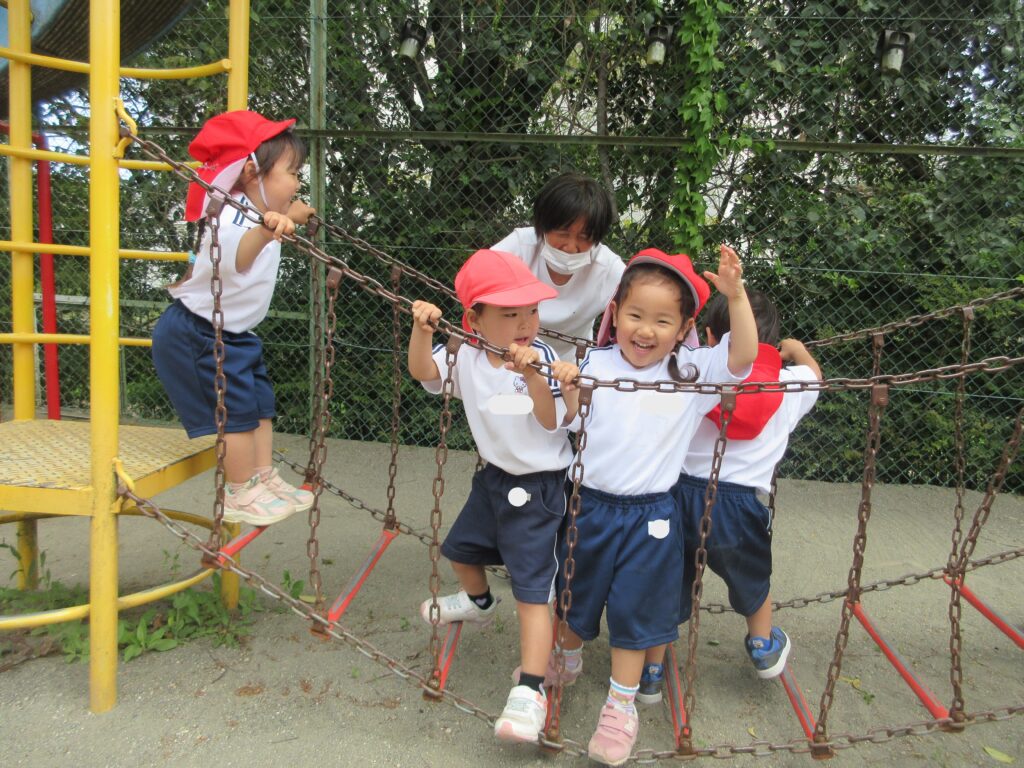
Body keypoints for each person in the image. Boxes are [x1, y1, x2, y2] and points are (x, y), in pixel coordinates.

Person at [547, 246, 758, 766]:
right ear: (615, 313)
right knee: (573, 594)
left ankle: (620, 707)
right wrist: (569, 388)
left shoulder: (691, 373)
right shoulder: (595, 362)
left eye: (663, 321)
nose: (645, 330)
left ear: (684, 328)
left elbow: (742, 358)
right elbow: (573, 422)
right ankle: (566, 658)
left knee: (636, 611)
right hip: (589, 506)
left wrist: (736, 296)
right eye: (635, 315)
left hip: (651, 518)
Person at [407, 249, 573, 745]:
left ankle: (530, 690)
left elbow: (552, 420)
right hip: (494, 479)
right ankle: (479, 602)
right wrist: (422, 330)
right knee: (460, 551)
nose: (525, 323)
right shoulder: (465, 354)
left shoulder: (543, 357)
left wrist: (534, 376)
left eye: (531, 311)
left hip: (540, 488)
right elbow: (423, 373)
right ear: (474, 320)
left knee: (531, 594)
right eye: (510, 313)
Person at [636, 291, 822, 704]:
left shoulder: (693, 376)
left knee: (669, 580)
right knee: (752, 576)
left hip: (679, 495)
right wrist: (798, 351)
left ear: (708, 337)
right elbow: (815, 376)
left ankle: (650, 669)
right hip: (738, 507)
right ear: (769, 342)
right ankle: (762, 644)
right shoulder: (791, 384)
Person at [151, 110, 316, 527]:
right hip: (197, 333)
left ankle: (262, 476)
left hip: (235, 333)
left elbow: (267, 225)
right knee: (237, 415)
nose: (298, 182)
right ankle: (240, 491)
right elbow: (236, 258)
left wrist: (289, 217)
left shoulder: (258, 212)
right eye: (292, 172)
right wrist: (266, 231)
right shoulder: (230, 214)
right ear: (251, 172)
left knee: (260, 406)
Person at [492, 173, 625, 361]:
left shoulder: (607, 268)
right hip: (511, 357)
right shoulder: (520, 247)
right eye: (563, 233)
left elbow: (641, 307)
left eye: (584, 237)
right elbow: (475, 279)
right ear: (543, 225)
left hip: (571, 366)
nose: (571, 247)